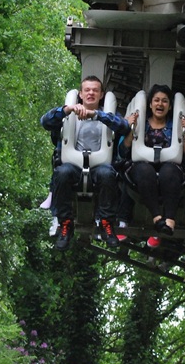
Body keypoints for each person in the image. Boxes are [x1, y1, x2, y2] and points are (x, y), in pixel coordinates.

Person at [41, 76, 130, 250]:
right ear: (80, 94)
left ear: (101, 94)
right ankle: (65, 223)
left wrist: (97, 115)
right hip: (73, 164)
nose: (91, 93)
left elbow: (124, 127)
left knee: (108, 175)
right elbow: (45, 122)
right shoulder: (68, 114)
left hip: (100, 165)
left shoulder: (108, 114)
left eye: (95, 90)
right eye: (87, 90)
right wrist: (67, 109)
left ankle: (106, 222)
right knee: (62, 173)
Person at [120, 84, 185, 247]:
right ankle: (157, 218)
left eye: (165, 101)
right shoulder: (142, 123)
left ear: (170, 106)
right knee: (145, 170)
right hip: (142, 168)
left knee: (170, 171)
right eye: (156, 100)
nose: (160, 104)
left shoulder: (174, 125)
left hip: (169, 167)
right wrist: (131, 128)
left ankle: (169, 219)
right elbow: (124, 150)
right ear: (150, 104)